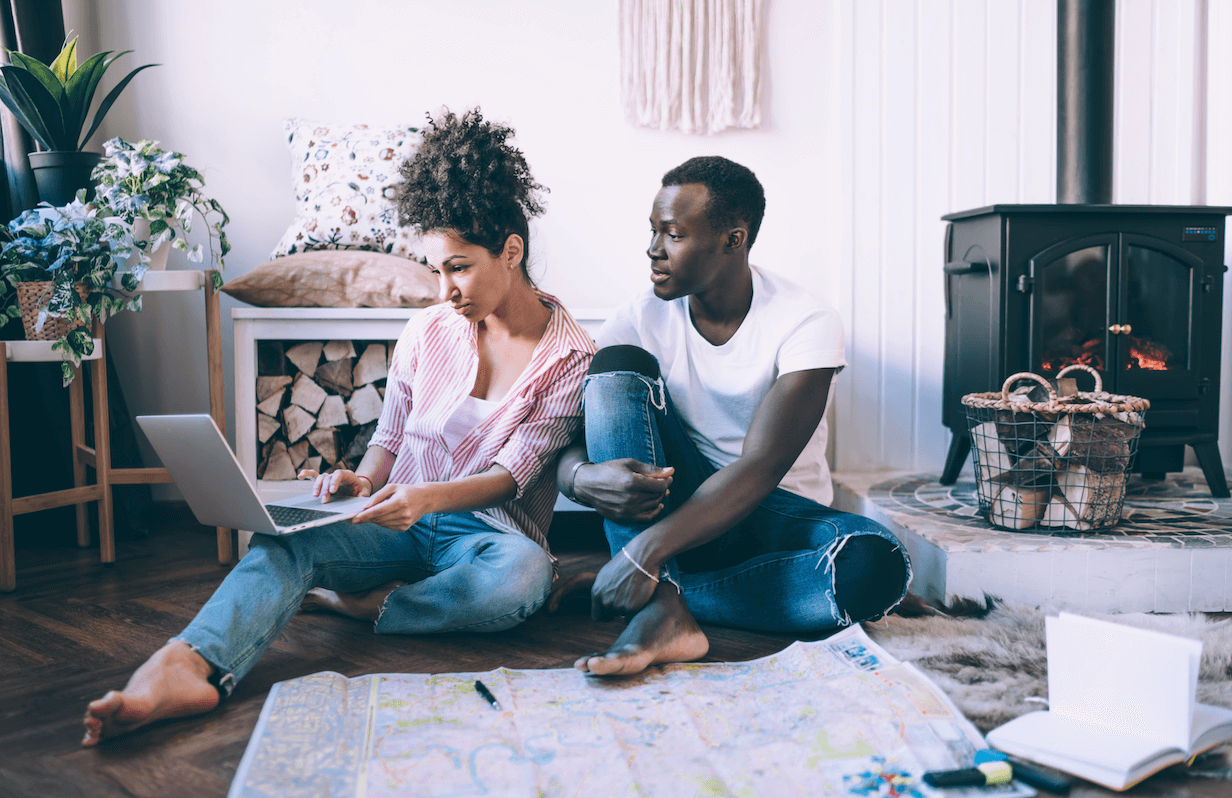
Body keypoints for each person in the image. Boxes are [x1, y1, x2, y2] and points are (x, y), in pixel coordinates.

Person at [82, 108, 595, 746]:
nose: (444, 289)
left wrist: (421, 501)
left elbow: (508, 478)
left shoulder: (571, 356)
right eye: (436, 269)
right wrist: (363, 478)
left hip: (484, 537)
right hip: (394, 514)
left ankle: (364, 604)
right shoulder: (429, 328)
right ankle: (189, 664)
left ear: (511, 252)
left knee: (521, 578)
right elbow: (391, 438)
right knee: (282, 538)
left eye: (458, 267)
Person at [552, 156, 911, 676]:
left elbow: (762, 467)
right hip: (674, 502)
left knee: (876, 567)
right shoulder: (639, 316)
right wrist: (581, 479)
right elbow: (566, 440)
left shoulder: (805, 320)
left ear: (733, 239)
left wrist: (638, 557)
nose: (653, 250)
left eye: (673, 234)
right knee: (616, 366)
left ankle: (662, 597)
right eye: (653, 231)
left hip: (773, 515)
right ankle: (659, 606)